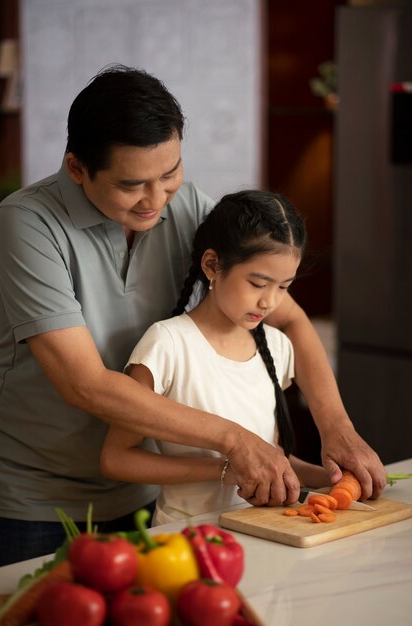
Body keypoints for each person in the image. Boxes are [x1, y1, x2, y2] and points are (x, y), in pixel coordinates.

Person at [0, 65, 385, 566]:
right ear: (77, 168)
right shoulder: (26, 224)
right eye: (133, 184)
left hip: (147, 493)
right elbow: (85, 385)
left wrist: (337, 428)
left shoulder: (184, 209)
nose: (156, 201)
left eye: (170, 174)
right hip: (36, 498)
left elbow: (288, 318)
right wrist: (233, 440)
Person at [100, 190, 332, 524]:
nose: (269, 302)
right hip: (185, 539)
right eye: (257, 283)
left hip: (265, 534)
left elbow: (273, 459)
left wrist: (332, 479)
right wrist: (225, 470)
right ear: (212, 265)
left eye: (283, 287)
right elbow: (116, 459)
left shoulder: (277, 346)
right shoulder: (167, 344)